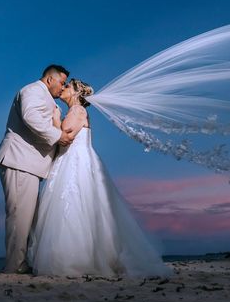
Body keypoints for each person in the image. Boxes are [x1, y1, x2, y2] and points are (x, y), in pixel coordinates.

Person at [27, 78, 171, 278]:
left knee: (74, 204)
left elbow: (65, 136)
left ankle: (76, 259)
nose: (63, 88)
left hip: (75, 162)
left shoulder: (77, 111)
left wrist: (54, 118)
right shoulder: (76, 111)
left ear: (77, 93)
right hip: (71, 160)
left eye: (67, 86)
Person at [0, 65, 75, 273]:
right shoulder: (32, 91)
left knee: (29, 217)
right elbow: (31, 117)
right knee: (19, 216)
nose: (62, 87)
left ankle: (23, 262)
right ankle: (14, 267)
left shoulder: (46, 98)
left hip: (28, 164)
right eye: (62, 82)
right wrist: (58, 136)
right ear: (49, 80)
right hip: (19, 160)